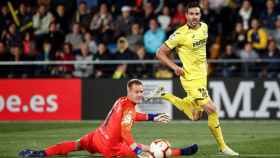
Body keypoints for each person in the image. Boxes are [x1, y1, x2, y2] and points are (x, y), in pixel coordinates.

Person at [147, 2, 239, 156]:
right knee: (212, 109)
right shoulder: (179, 34)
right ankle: (223, 147)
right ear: (186, 15)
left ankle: (164, 94)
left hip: (202, 76)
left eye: (197, 14)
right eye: (191, 14)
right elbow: (159, 53)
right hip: (190, 78)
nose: (194, 17)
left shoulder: (204, 27)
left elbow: (199, 51)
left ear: (200, 15)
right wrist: (175, 67)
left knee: (196, 116)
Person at [19, 79, 198, 158]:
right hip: (113, 147)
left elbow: (130, 118)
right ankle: (182, 152)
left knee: (76, 144)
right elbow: (126, 132)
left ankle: (41, 153)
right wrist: (136, 151)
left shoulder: (121, 101)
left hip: (97, 137)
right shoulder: (129, 108)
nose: (140, 95)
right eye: (137, 92)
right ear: (129, 91)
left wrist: (152, 116)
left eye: (142, 92)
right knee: (153, 152)